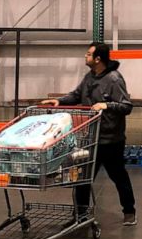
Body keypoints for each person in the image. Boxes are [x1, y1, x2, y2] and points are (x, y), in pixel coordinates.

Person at [42, 42, 137, 226]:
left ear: (98, 58)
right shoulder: (89, 77)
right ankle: (81, 214)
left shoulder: (114, 79)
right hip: (90, 138)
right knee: (82, 178)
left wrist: (106, 105)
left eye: (88, 54)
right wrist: (59, 101)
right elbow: (76, 95)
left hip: (111, 141)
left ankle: (129, 211)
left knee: (118, 176)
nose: (85, 57)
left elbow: (127, 106)